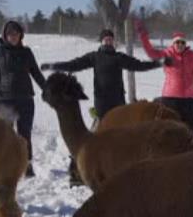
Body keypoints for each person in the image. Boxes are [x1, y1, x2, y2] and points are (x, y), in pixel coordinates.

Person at [43, 27, 168, 185]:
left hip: (118, 105)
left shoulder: (119, 57)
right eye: (105, 39)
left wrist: (160, 63)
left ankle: (121, 167)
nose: (108, 41)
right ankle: (76, 173)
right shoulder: (94, 57)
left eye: (110, 39)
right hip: (102, 104)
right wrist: (54, 66)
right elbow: (75, 64)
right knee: (88, 140)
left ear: (113, 41)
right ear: (101, 41)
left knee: (120, 139)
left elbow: (139, 65)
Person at [0, 20, 46, 177]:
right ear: (5, 35)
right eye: (10, 34)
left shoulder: (27, 52)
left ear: (21, 35)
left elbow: (36, 74)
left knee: (24, 134)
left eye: (16, 34)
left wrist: (48, 90)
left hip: (26, 99)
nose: (13, 37)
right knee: (5, 134)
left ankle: (27, 165)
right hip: (5, 99)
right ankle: (4, 166)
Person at [135, 17, 193, 132]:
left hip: (188, 100)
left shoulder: (192, 55)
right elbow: (151, 52)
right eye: (177, 42)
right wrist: (143, 34)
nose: (180, 44)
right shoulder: (166, 54)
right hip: (170, 99)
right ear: (173, 43)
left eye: (182, 42)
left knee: (188, 130)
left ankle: (188, 150)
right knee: (169, 130)